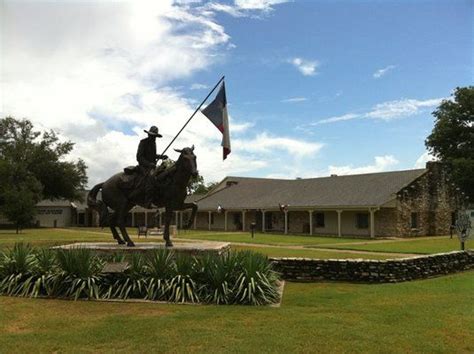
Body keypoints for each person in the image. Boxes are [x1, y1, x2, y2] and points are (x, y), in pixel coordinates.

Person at [137, 126, 168, 207]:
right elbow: (139, 157)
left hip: (152, 167)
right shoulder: (143, 142)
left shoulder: (154, 143)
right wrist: (149, 164)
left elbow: (153, 155)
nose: (154, 138)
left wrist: (161, 156)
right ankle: (148, 201)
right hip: (144, 166)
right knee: (151, 178)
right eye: (153, 136)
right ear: (149, 135)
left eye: (155, 136)